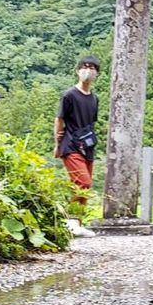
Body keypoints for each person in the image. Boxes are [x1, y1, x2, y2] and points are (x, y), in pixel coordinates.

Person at [54, 56, 101, 217]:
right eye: (84, 67)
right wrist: (57, 144)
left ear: (97, 73)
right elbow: (59, 120)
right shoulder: (69, 95)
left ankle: (76, 222)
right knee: (82, 182)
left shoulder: (94, 98)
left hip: (87, 146)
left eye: (92, 68)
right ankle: (71, 221)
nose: (88, 70)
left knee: (84, 188)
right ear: (77, 71)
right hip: (71, 145)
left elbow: (91, 123)